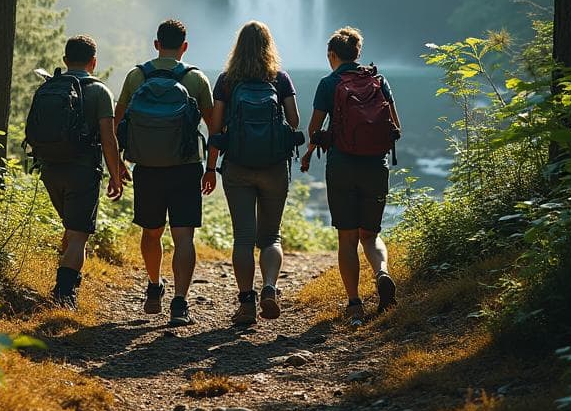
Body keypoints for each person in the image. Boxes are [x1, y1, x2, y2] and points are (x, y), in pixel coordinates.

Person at [115, 19, 215, 327]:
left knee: (151, 231)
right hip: (186, 168)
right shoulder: (196, 79)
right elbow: (214, 128)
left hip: (146, 167)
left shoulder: (137, 76)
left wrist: (117, 163)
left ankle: (154, 284)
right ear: (185, 46)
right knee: (184, 236)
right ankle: (180, 302)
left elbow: (118, 122)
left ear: (156, 44)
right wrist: (210, 168)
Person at [203, 21, 301, 326]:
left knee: (243, 238)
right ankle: (269, 288)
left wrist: (210, 166)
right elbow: (295, 122)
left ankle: (246, 303)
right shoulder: (280, 78)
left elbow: (216, 128)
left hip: (238, 167)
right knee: (271, 236)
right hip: (274, 167)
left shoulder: (227, 81)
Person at [300, 26, 400, 327]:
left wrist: (312, 149)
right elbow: (395, 125)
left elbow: (314, 130)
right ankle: (382, 274)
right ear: (358, 53)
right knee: (370, 235)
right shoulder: (378, 80)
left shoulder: (328, 83)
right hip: (376, 166)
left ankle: (355, 304)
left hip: (342, 165)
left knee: (347, 238)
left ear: (332, 55)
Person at [30, 35, 126, 309]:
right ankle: (64, 295)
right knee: (78, 235)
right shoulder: (99, 91)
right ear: (93, 62)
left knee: (71, 230)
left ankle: (61, 283)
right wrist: (115, 175)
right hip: (82, 172)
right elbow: (109, 139)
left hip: (49, 168)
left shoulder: (49, 88)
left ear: (65, 60)